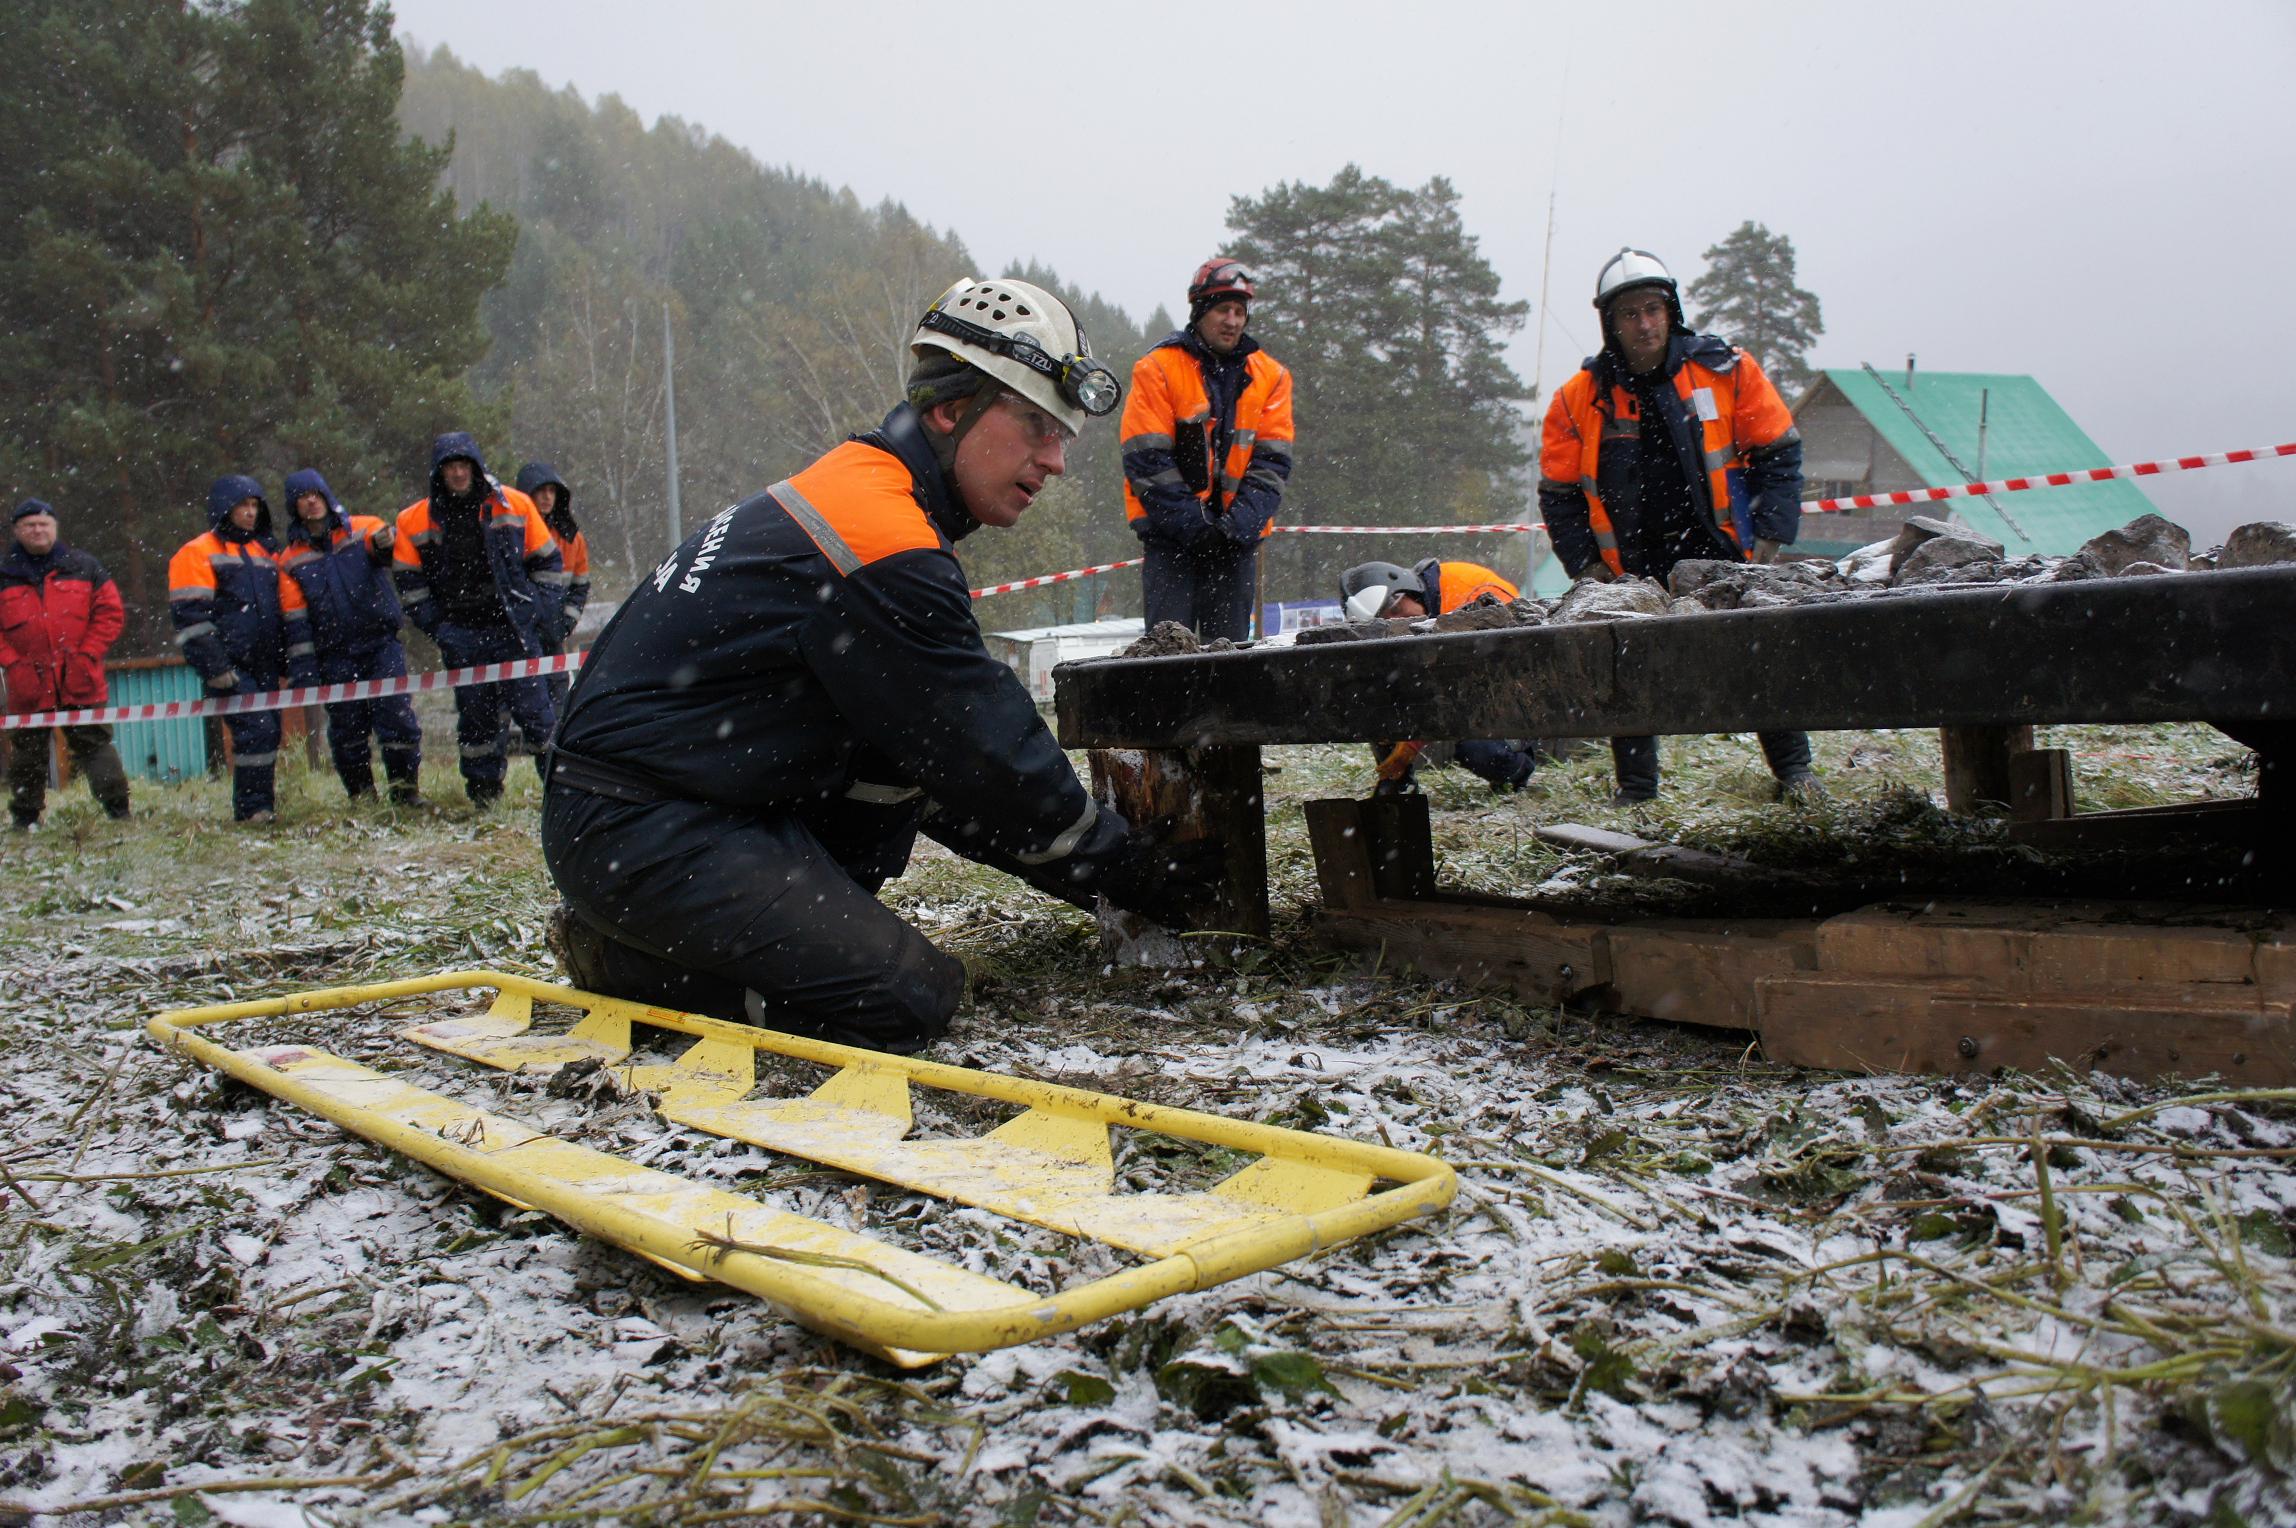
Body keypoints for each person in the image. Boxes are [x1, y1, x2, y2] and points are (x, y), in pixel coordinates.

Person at [542, 276, 1213, 1052]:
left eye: (1061, 434)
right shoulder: (879, 539)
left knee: (900, 766)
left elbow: (951, 774)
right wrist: (1128, 866)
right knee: (902, 1002)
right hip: (640, 825)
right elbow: (988, 749)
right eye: (1035, 424)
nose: (1055, 459)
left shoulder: (864, 494)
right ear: (950, 409)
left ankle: (733, 928)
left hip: (676, 802)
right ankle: (632, 964)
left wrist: (1094, 875)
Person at [1539, 247, 1818, 805]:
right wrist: (1589, 568)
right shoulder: (1578, 398)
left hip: (1723, 550)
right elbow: (1559, 494)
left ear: (1671, 311)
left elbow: (1779, 452)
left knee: (1755, 655)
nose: (1644, 324)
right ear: (1610, 324)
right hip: (1629, 563)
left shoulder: (1727, 370)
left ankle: (1795, 775)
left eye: (1653, 309)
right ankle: (1637, 792)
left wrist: (1767, 537)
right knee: (1626, 667)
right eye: (1630, 314)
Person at [1121, 257, 1295, 641]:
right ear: (1200, 312)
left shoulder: (1272, 377)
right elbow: (1146, 460)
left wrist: (1235, 529)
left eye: (1239, 311)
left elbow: (1272, 464)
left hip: (1236, 547)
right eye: (1222, 310)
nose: (1232, 320)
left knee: (1228, 663)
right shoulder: (1158, 368)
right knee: (1167, 660)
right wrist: (1195, 527)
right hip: (1171, 543)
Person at [392, 434, 566, 807]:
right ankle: (484, 798)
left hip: (512, 630)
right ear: (439, 472)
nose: (457, 473)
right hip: (462, 635)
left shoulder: (514, 505)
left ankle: (563, 793)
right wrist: (439, 629)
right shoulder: (414, 519)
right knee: (477, 722)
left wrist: (534, 611)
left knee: (538, 716)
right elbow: (409, 584)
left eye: (463, 465)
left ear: (475, 466)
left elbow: (549, 562)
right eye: (450, 467)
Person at [169, 476, 316, 822]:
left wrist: (292, 663)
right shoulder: (198, 551)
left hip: (264, 664)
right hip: (231, 665)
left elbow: (284, 612)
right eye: (242, 506)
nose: (250, 513)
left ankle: (259, 806)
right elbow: (190, 617)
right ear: (224, 509)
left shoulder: (265, 553)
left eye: (254, 506)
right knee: (256, 732)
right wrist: (216, 667)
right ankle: (254, 810)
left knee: (268, 734)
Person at [277, 469, 424, 805]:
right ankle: (362, 797)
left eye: (316, 493)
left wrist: (386, 545)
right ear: (294, 506)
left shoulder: (365, 528)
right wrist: (305, 672)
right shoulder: (290, 560)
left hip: (381, 645)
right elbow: (296, 623)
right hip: (335, 656)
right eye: (303, 497)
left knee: (397, 720)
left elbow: (392, 556)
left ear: (326, 495)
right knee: (347, 732)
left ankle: (406, 794)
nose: (311, 501)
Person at [1337, 558, 1543, 793]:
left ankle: (1518, 769)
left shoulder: (1470, 592)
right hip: (1467, 683)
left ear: (1406, 590)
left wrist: (1413, 741)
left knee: (1480, 752)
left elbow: (1483, 680)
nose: (1397, 624)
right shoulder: (1422, 609)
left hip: (1513, 689)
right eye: (1386, 621)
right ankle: (1398, 783)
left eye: (1396, 611)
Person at [1, 499, 131, 829]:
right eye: (29, 524)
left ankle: (119, 811)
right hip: (27, 681)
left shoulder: (85, 566)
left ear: (55, 528)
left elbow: (110, 613)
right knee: (27, 753)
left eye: (44, 523)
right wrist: (12, 663)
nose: (37, 529)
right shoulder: (4, 574)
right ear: (17, 531)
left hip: (80, 676)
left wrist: (88, 653)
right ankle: (25, 818)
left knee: (95, 745)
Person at [515, 462, 589, 713]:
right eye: (541, 490)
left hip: (552, 635)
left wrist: (566, 623)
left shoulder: (572, 538)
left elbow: (580, 586)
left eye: (552, 491)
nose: (547, 497)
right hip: (517, 637)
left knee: (556, 704)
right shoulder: (513, 534)